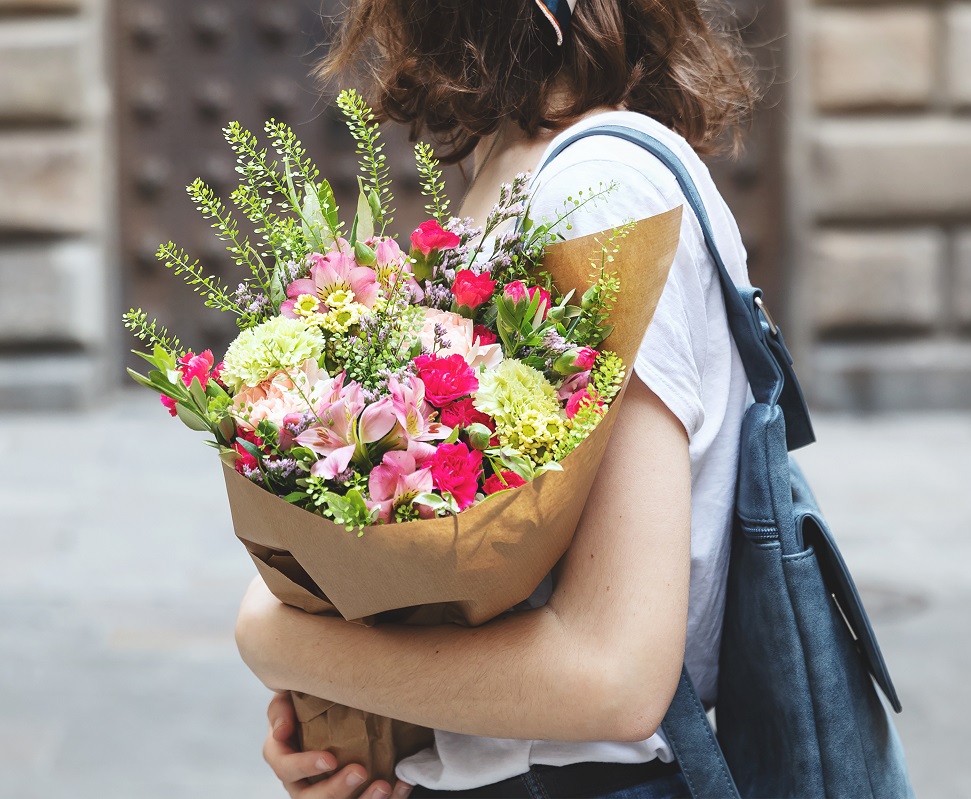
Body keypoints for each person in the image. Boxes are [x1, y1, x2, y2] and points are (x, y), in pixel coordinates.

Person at [234, 1, 759, 797]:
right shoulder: (522, 168)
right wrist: (357, 732)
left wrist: (277, 639)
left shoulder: (600, 190)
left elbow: (615, 674)